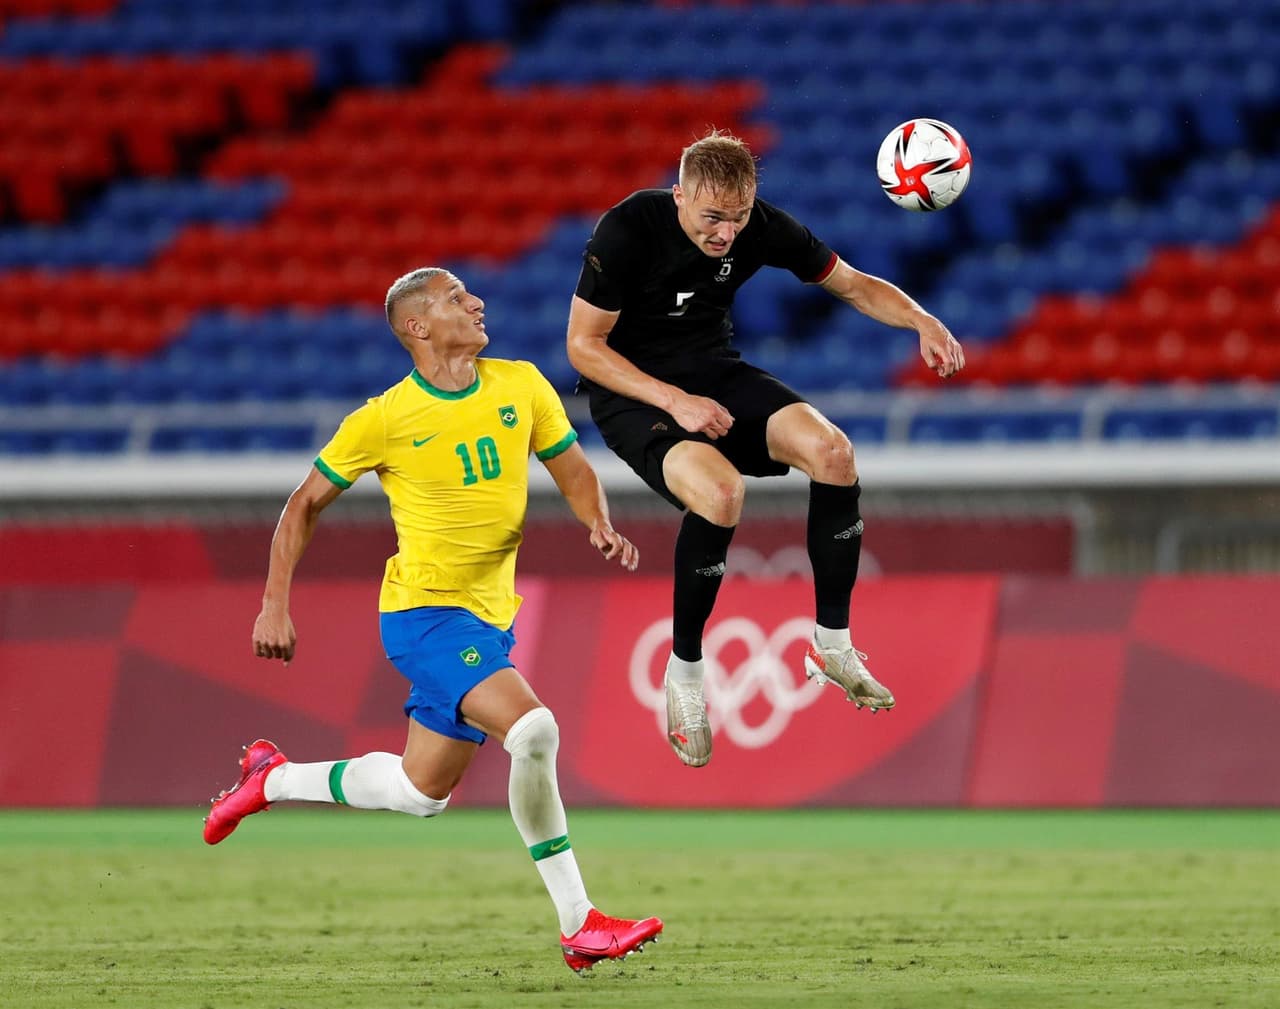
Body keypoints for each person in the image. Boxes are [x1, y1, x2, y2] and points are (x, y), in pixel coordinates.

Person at [202, 267, 662, 973]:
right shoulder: (384, 417)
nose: (476, 303)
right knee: (534, 729)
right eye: (455, 298)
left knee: (421, 792)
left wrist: (595, 519)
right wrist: (274, 601)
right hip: (424, 616)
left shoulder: (522, 384)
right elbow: (303, 504)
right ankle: (580, 922)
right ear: (416, 327)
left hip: (488, 618)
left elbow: (570, 467)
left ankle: (271, 779)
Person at [566, 130, 965, 769]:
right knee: (723, 493)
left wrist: (923, 319)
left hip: (716, 373)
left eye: (740, 216)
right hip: (635, 396)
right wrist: (674, 401)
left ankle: (832, 645)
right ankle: (686, 675)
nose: (727, 232)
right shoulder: (629, 228)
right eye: (712, 219)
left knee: (833, 451)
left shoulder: (763, 227)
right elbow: (584, 347)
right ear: (679, 197)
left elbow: (855, 285)